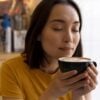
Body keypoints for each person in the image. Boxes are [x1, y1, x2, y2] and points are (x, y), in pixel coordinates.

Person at [0, 0, 98, 100]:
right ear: (38, 33)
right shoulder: (11, 70)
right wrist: (52, 93)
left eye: (75, 29)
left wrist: (78, 95)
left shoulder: (80, 70)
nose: (69, 38)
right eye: (58, 28)